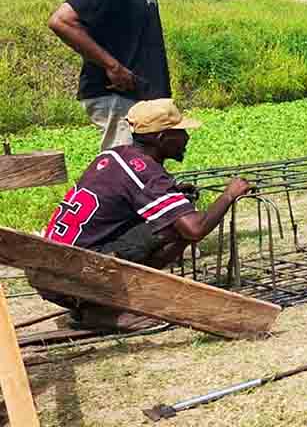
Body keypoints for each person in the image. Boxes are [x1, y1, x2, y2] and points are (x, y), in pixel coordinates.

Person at [39, 99, 251, 331]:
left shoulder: (114, 156)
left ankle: (96, 303)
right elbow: (195, 229)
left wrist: (173, 194)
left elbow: (126, 197)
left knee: (167, 217)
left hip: (49, 269)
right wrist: (229, 194)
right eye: (180, 132)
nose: (186, 138)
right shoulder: (147, 174)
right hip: (73, 276)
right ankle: (106, 308)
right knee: (176, 229)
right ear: (161, 138)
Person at [48, 0, 170, 151]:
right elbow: (61, 21)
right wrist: (113, 67)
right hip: (118, 97)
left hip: (137, 96)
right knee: (125, 165)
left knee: (143, 165)